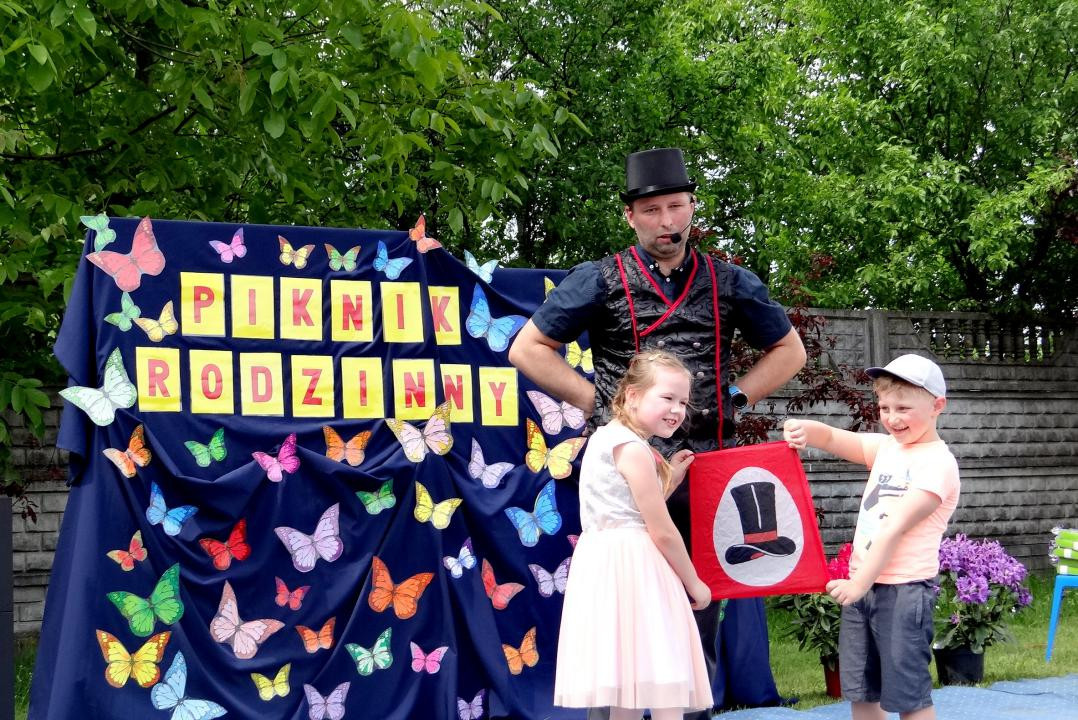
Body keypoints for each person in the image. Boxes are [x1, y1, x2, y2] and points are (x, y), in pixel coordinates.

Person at [509, 147, 806, 716]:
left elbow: (789, 351)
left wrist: (735, 398)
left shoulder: (730, 282)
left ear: (692, 206)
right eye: (651, 210)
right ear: (631, 216)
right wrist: (600, 404)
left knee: (695, 615)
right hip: (624, 472)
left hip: (704, 470)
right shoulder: (598, 280)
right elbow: (528, 348)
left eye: (676, 206)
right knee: (617, 621)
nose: (666, 221)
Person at [782, 354, 961, 720]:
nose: (892, 418)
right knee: (862, 690)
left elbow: (894, 526)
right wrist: (803, 429)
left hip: (904, 590)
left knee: (908, 695)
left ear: (937, 406)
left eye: (904, 408)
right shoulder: (886, 448)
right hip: (864, 587)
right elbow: (833, 437)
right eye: (884, 407)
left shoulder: (938, 464)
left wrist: (858, 583)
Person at [554, 350, 712, 720]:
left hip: (604, 564)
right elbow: (662, 530)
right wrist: (694, 582)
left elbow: (625, 505)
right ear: (633, 395)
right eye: (667, 397)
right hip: (636, 566)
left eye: (683, 402)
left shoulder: (605, 438)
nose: (677, 410)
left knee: (627, 677)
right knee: (663, 667)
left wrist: (670, 478)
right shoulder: (634, 450)